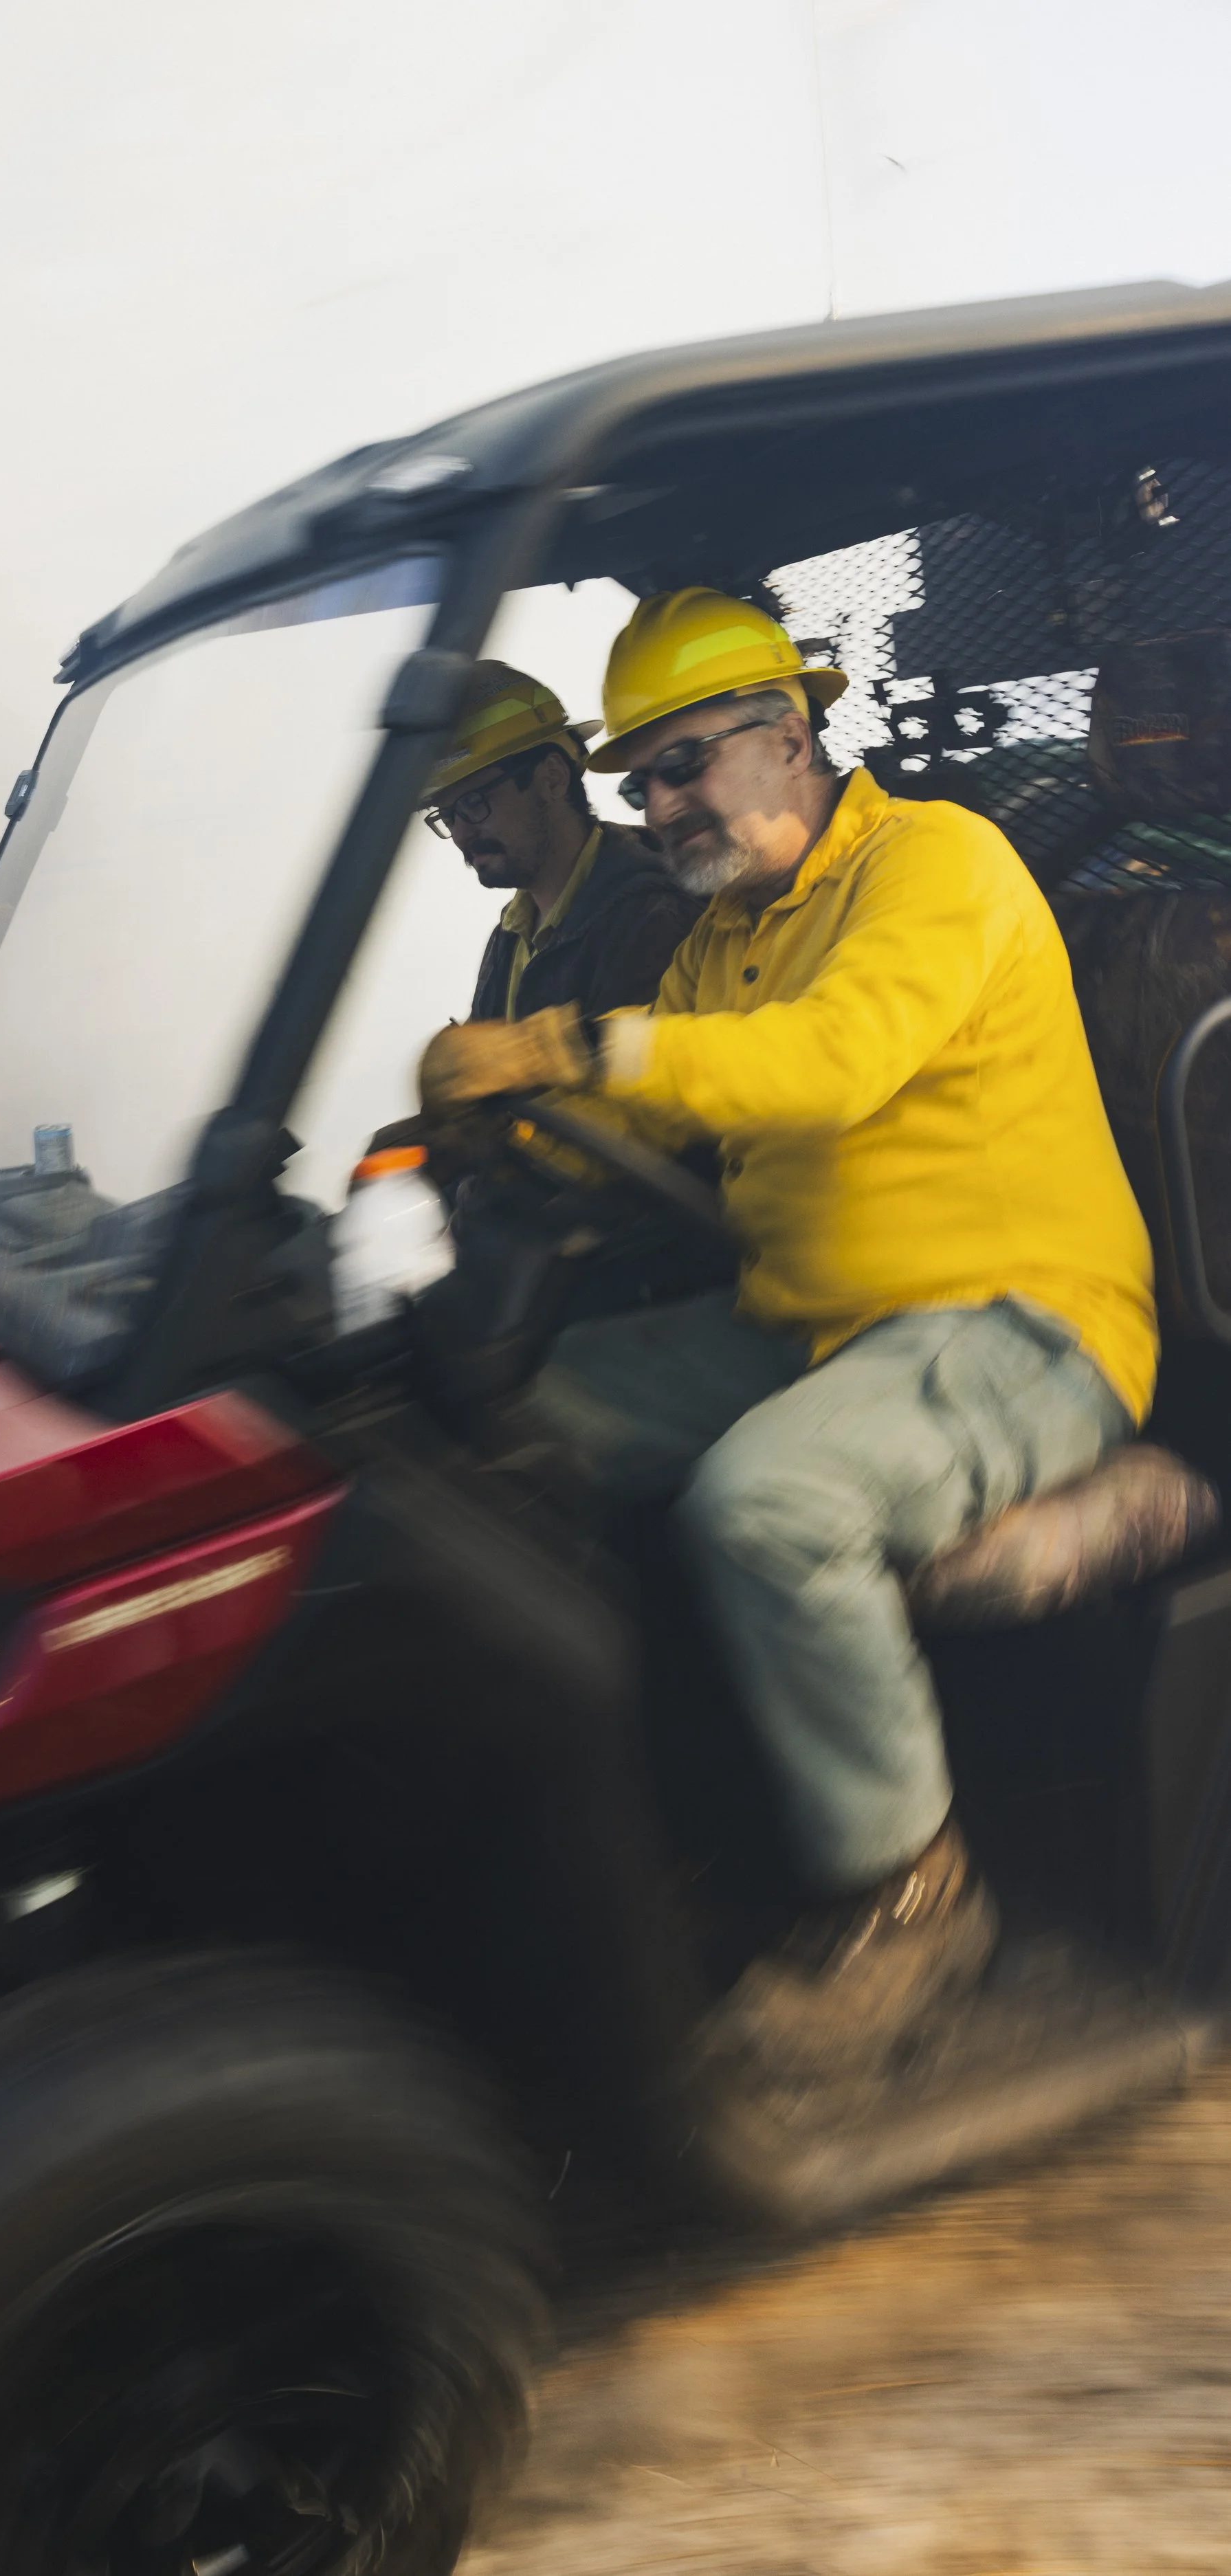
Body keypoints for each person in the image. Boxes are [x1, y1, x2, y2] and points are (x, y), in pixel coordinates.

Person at [416, 588, 1157, 2073]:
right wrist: (497, 1126)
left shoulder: (933, 860)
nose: (663, 802)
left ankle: (910, 1896)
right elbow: (657, 1104)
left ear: (790, 733)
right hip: (808, 1324)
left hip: (1018, 1324)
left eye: (685, 763)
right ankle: (652, 1836)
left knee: (768, 1498)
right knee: (486, 1428)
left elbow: (830, 1060)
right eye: (643, 779)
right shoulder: (719, 936)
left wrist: (565, 1045)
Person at [421, 660, 701, 1023]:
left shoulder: (653, 916)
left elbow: (626, 1073)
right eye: (447, 816)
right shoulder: (513, 931)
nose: (460, 835)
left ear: (552, 779)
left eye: (474, 803)